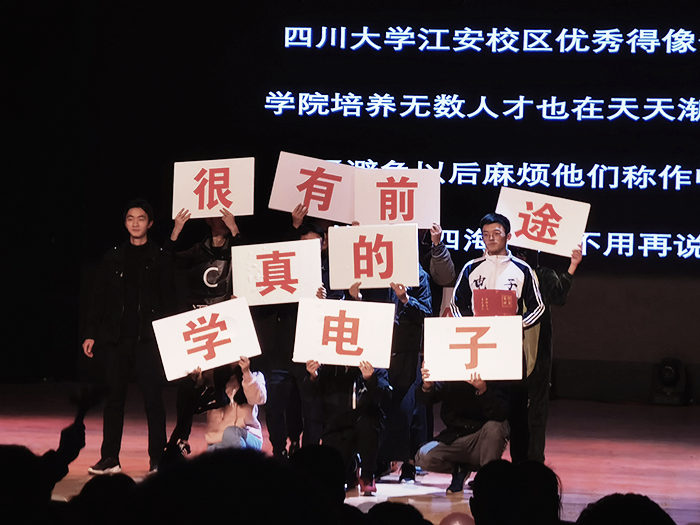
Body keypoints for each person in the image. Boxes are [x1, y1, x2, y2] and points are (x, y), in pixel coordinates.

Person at [82, 199, 176, 473]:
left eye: (141, 218)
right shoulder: (112, 257)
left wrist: (170, 338)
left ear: (150, 223)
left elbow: (169, 301)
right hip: (117, 339)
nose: (135, 223)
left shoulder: (160, 258)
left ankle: (157, 459)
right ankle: (110, 458)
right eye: (130, 218)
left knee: (153, 402)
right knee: (114, 401)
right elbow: (99, 299)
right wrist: (91, 333)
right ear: (125, 223)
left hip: (148, 341)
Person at [450, 212, 544, 464]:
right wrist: (471, 326)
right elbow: (456, 304)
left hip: (509, 349)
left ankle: (520, 470)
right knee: (481, 406)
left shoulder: (522, 269)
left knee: (517, 412)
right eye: (485, 234)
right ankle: (483, 469)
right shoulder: (471, 268)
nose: (490, 238)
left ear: (508, 236)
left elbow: (538, 307)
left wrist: (516, 325)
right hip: (478, 346)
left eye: (496, 233)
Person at [163, 207, 244, 456]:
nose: (223, 219)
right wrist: (177, 229)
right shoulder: (198, 250)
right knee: (189, 383)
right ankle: (180, 438)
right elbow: (167, 259)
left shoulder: (237, 247)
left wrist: (235, 229)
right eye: (218, 216)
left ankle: (229, 436)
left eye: (227, 216)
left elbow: (250, 258)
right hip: (199, 324)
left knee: (222, 385)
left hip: (227, 323)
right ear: (208, 219)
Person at [511, 245, 582, 463]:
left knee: (537, 410)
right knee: (513, 411)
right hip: (507, 351)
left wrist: (573, 265)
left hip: (537, 352)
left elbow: (558, 297)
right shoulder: (506, 274)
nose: (521, 255)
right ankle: (515, 463)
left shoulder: (543, 274)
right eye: (517, 251)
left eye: (525, 251)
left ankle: (534, 463)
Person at [414, 363, 509, 493]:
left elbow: (501, 413)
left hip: (481, 439)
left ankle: (487, 479)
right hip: (455, 437)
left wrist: (483, 390)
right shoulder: (452, 369)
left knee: (496, 427)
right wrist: (427, 386)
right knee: (423, 456)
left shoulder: (494, 370)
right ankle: (460, 469)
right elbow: (426, 399)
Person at [303, 359, 391, 496]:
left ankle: (367, 474)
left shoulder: (374, 364)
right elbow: (310, 395)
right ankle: (352, 468)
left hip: (366, 424)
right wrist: (313, 377)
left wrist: (370, 379)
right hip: (337, 425)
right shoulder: (327, 366)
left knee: (367, 424)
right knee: (333, 477)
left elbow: (385, 396)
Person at [199, 356, 267, 451]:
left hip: (247, 437)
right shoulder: (212, 379)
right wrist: (198, 383)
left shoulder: (255, 375)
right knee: (216, 450)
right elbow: (198, 407)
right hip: (217, 441)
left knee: (230, 433)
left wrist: (246, 373)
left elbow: (259, 399)